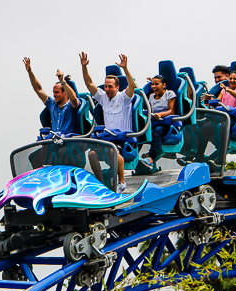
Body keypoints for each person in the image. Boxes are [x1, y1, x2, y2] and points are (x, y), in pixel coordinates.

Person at [80, 52, 136, 193]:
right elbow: (89, 84)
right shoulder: (103, 98)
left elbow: (132, 86)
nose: (107, 89)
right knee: (92, 154)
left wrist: (125, 68)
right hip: (107, 138)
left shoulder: (124, 98)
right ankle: (100, 182)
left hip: (122, 139)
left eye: (110, 86)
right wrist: (84, 67)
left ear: (117, 87)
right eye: (105, 86)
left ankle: (121, 183)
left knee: (113, 150)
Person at [23, 57, 80, 136]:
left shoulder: (71, 105)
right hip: (55, 142)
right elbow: (38, 89)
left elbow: (74, 98)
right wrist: (30, 72)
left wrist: (62, 81)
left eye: (57, 92)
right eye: (53, 92)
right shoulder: (52, 104)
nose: (54, 95)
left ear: (65, 93)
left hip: (69, 142)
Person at [138, 75, 177, 170]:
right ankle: (134, 157)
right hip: (154, 122)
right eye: (152, 84)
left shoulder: (170, 94)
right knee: (140, 132)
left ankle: (151, 159)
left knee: (157, 131)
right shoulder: (151, 96)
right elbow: (150, 110)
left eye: (157, 84)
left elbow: (172, 111)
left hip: (166, 124)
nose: (154, 86)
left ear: (164, 85)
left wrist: (160, 115)